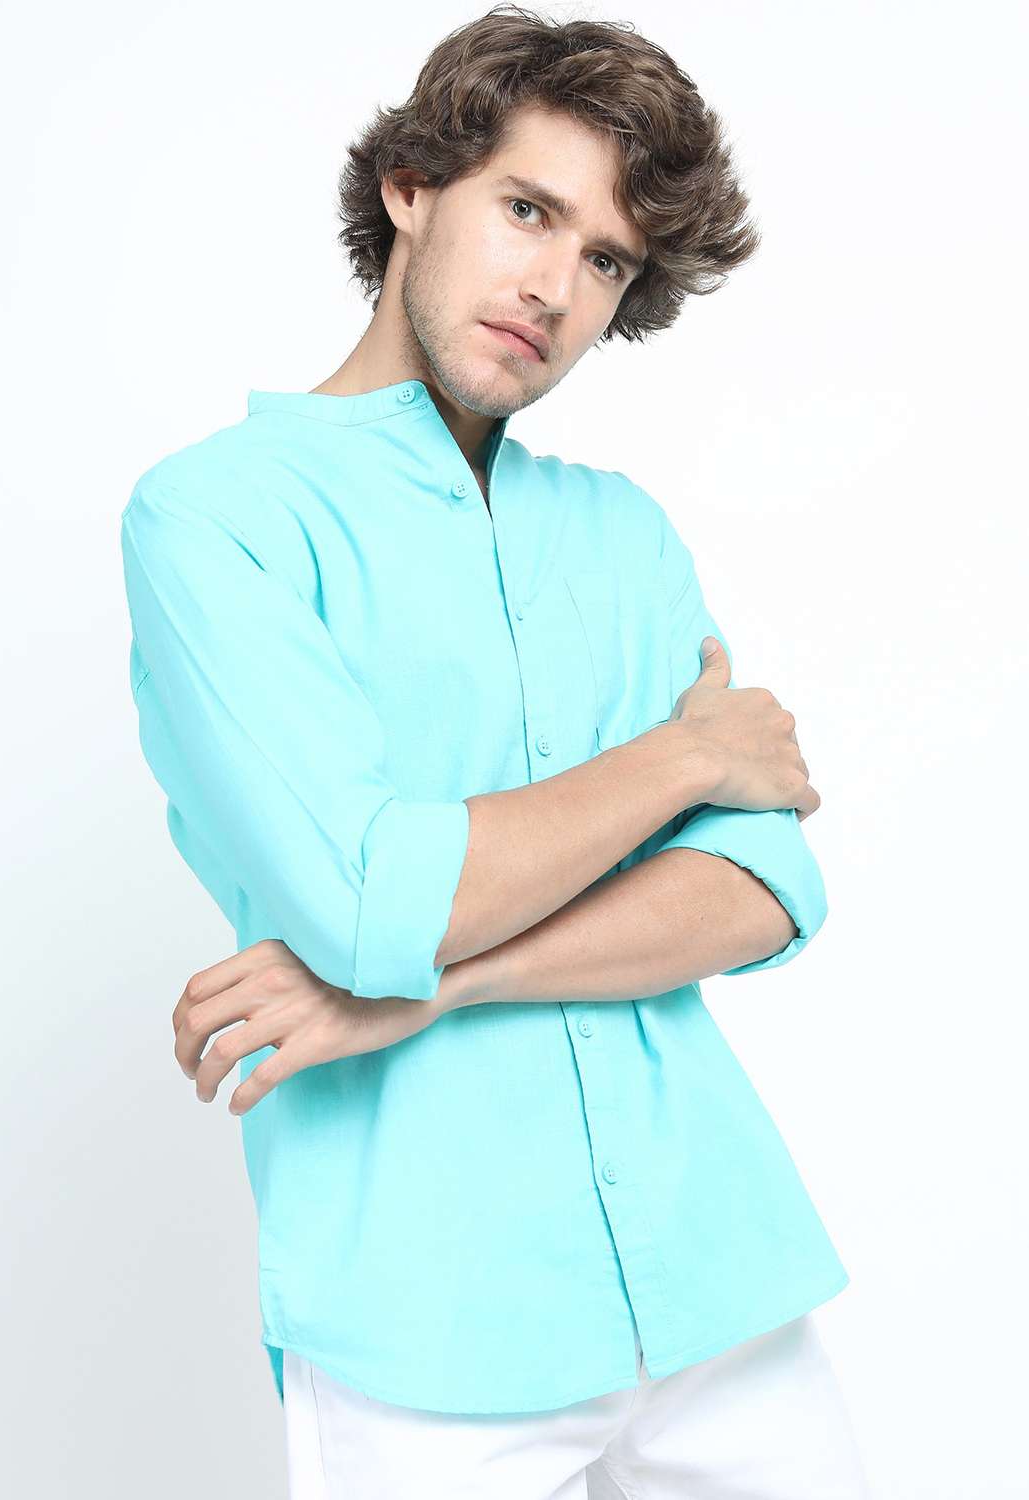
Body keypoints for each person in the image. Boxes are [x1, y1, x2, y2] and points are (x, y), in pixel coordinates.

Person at [119, 7, 874, 1496]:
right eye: (529, 209)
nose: (555, 287)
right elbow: (370, 901)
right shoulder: (215, 519)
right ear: (412, 185)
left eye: (606, 262)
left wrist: (435, 986)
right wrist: (682, 763)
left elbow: (762, 890)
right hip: (424, 1315)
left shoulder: (621, 534)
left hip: (715, 1277)